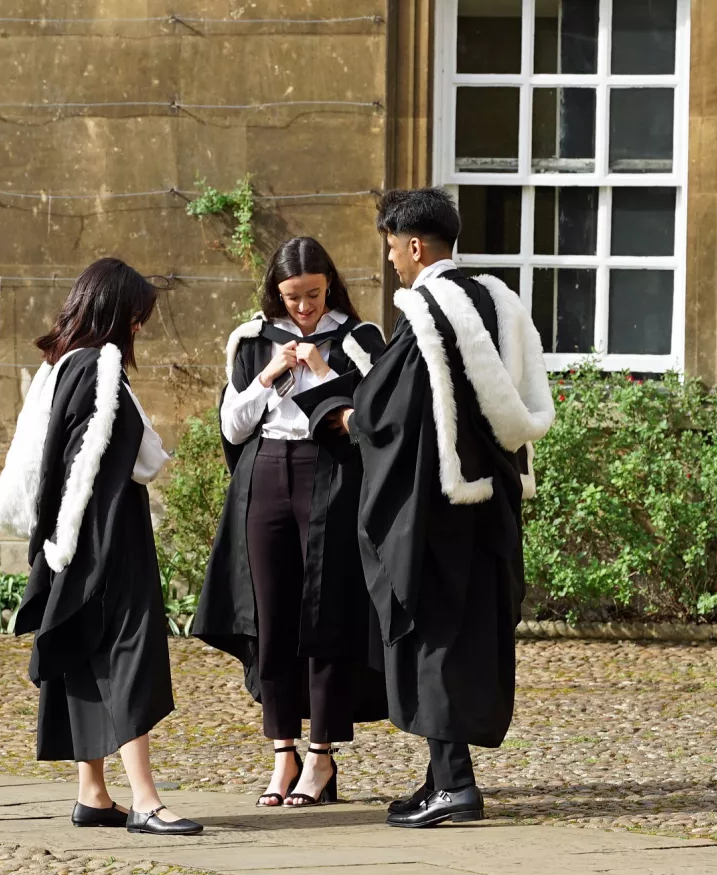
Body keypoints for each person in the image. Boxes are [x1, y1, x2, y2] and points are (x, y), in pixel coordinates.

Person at [338, 188, 555, 828]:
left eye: (392, 253)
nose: (392, 267)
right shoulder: (497, 300)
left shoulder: (429, 311)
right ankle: (440, 776)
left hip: (438, 512)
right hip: (489, 504)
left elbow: (392, 412)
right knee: (463, 639)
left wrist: (347, 409)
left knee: (434, 639)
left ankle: (456, 787)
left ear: (413, 245)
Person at [0, 257, 203, 837]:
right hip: (108, 533)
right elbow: (129, 459)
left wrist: (57, 543)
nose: (138, 329)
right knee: (129, 654)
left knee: (84, 650)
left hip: (68, 535)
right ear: (115, 314)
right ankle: (147, 802)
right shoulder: (102, 367)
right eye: (136, 318)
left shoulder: (56, 366)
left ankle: (93, 792)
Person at [191, 237, 388, 808]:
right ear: (275, 293)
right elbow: (232, 428)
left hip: (329, 479)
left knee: (325, 615)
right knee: (270, 617)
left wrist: (325, 371)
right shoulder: (254, 340)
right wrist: (267, 375)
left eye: (313, 295)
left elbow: (372, 423)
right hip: (264, 476)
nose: (303, 308)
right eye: (291, 297)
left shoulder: (359, 340)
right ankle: (284, 754)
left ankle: (322, 756)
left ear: (330, 284)